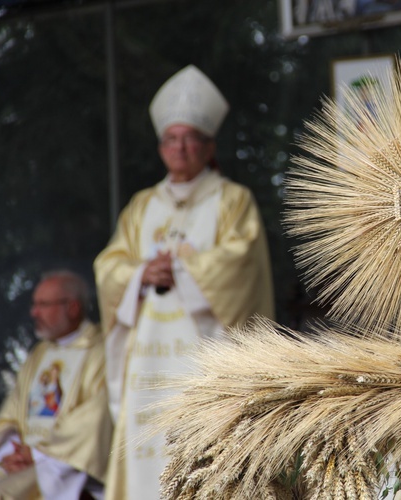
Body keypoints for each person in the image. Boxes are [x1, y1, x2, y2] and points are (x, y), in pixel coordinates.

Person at [94, 64, 275, 500]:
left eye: (191, 138)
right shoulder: (141, 206)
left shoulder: (232, 200)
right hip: (148, 357)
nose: (181, 147)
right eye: (172, 139)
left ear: (209, 145)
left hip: (204, 353)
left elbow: (242, 263)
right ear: (161, 148)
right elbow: (109, 266)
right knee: (146, 451)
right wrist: (140, 274)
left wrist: (182, 269)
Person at [0, 270, 111, 499]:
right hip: (23, 459)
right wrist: (14, 451)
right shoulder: (39, 354)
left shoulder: (101, 351)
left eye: (43, 304)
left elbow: (97, 417)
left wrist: (38, 455)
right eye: (34, 304)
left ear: (73, 307)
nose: (34, 312)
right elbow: (10, 413)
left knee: (0, 494)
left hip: (63, 464)